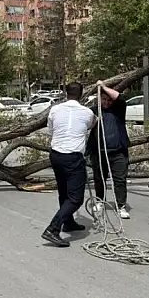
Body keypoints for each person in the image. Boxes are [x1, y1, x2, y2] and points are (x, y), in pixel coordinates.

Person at [41, 82, 96, 248]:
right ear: (82, 94)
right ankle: (53, 228)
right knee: (75, 198)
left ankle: (69, 222)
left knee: (64, 191)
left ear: (66, 93)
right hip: (73, 157)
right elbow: (90, 126)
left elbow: (51, 129)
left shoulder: (55, 110)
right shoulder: (87, 112)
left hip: (56, 155)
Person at [88, 80, 131, 220]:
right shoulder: (94, 111)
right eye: (103, 99)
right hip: (99, 152)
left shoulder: (118, 109)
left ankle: (121, 206)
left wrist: (103, 87)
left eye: (108, 100)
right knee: (99, 179)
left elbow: (120, 98)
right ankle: (100, 201)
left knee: (120, 179)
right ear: (99, 100)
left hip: (118, 152)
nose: (106, 102)